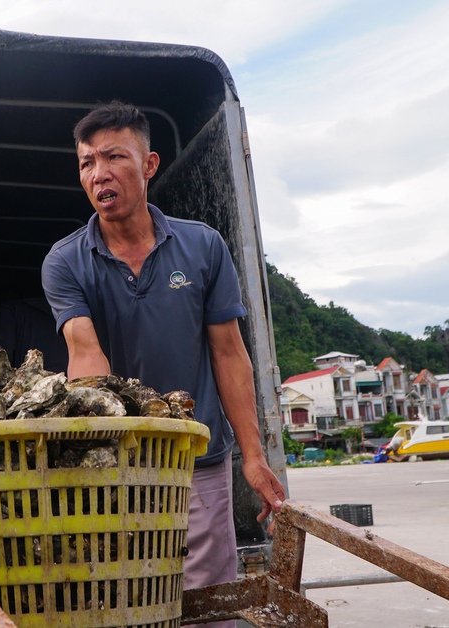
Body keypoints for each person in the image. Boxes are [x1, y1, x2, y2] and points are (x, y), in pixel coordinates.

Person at [41, 101, 285, 627]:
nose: (98, 173)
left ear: (148, 165)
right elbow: (86, 355)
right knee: (123, 601)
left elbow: (230, 355)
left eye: (113, 157)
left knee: (207, 604)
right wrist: (103, 462)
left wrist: (252, 455)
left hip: (199, 460)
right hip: (117, 464)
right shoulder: (65, 260)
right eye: (86, 163)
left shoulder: (202, 247)